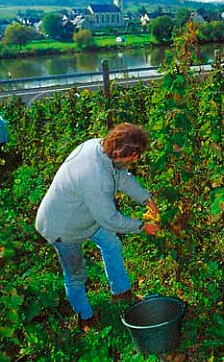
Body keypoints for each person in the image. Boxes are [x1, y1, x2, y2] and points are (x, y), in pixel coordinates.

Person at [35, 122, 160, 332]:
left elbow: (120, 176)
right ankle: (86, 318)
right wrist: (142, 226)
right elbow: (110, 219)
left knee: (111, 244)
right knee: (76, 275)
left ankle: (120, 292)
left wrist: (146, 199)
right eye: (134, 154)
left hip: (86, 217)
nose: (135, 159)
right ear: (120, 150)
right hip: (63, 228)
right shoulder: (96, 178)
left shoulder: (98, 148)